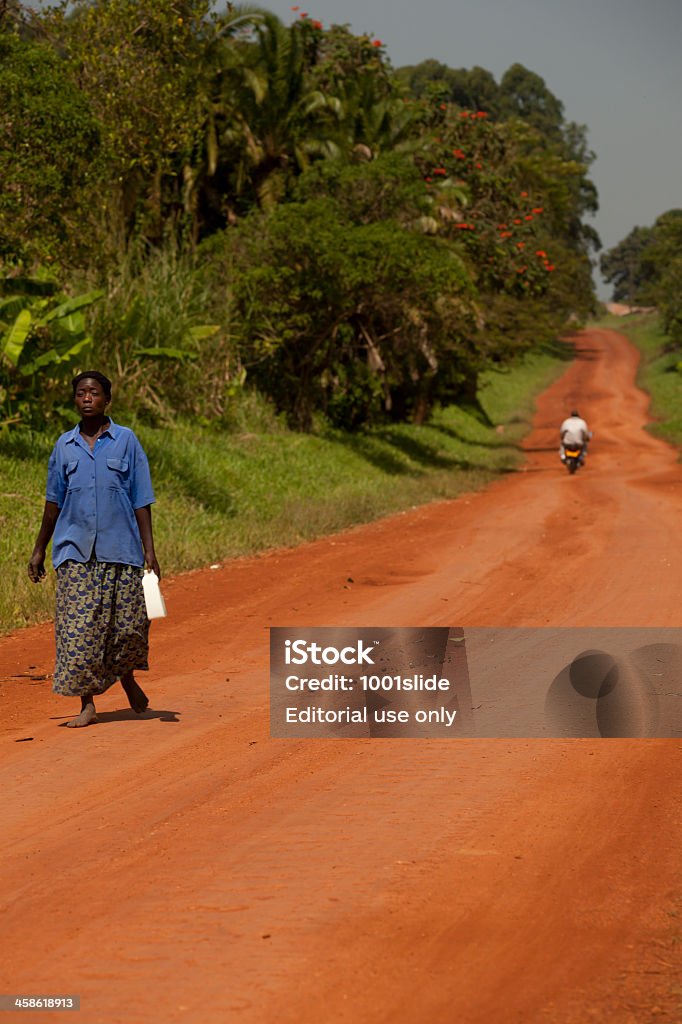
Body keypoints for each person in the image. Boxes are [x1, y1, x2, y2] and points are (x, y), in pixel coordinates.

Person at [28, 371, 161, 728]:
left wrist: (150, 552)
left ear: (107, 400)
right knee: (79, 629)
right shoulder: (64, 446)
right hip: (75, 551)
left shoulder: (127, 441)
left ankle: (127, 677)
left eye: (95, 393)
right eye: (82, 393)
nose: (88, 398)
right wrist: (39, 549)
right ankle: (87, 704)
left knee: (128, 628)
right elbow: (53, 502)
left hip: (122, 550)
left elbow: (141, 499)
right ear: (75, 399)